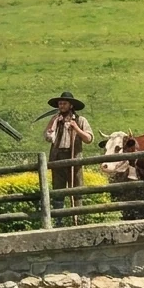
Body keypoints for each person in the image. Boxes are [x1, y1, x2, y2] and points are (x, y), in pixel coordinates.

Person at [44, 91, 94, 224]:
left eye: (64, 103)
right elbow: (48, 137)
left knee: (77, 188)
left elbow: (89, 139)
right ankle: (58, 220)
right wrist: (53, 126)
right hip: (58, 157)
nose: (61, 106)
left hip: (74, 158)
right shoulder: (55, 119)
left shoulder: (80, 120)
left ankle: (78, 219)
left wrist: (76, 128)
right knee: (58, 190)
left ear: (71, 105)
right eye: (60, 103)